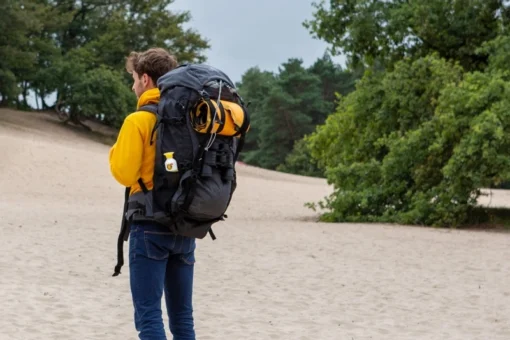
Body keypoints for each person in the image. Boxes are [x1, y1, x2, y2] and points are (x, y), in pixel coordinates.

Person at [109, 47, 196, 340]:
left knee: (149, 317)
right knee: (183, 317)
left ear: (145, 79)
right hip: (185, 226)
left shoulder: (138, 121)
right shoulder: (188, 119)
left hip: (148, 227)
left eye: (133, 78)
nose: (133, 85)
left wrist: (113, 152)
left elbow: (123, 173)